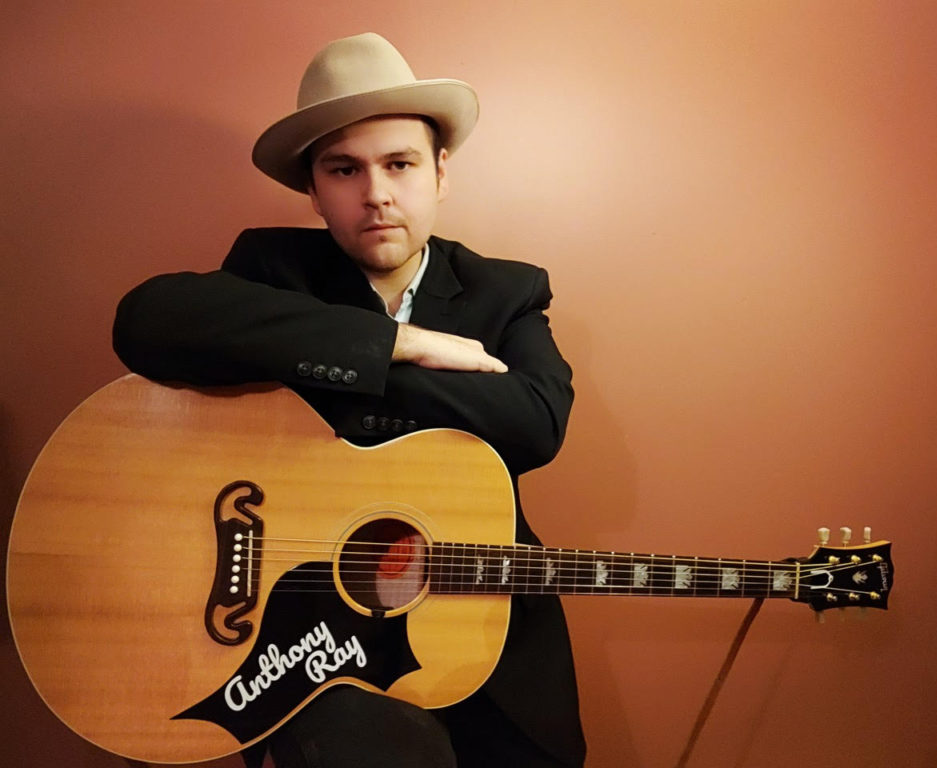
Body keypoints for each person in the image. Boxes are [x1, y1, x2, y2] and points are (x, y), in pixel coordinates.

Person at [112, 33, 586, 768]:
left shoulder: (509, 290)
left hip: (483, 632)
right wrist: (400, 344)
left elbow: (534, 426)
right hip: (306, 636)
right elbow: (144, 322)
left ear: (440, 172)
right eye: (344, 169)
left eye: (399, 163)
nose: (376, 194)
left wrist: (337, 362)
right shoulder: (269, 269)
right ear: (314, 189)